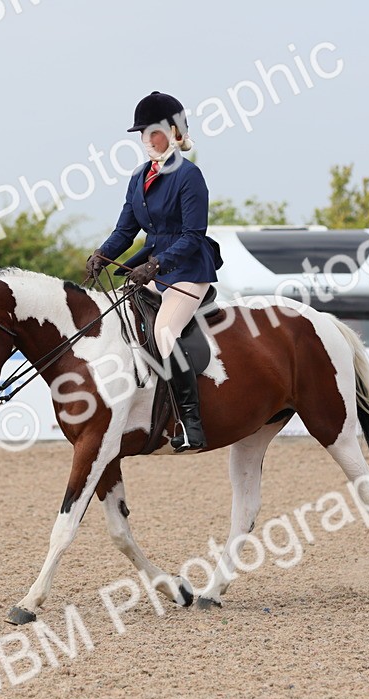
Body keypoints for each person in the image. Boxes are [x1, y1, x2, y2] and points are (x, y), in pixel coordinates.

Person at [84, 91, 221, 452]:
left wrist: (156, 264)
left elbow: (194, 236)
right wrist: (102, 254)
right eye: (142, 134)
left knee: (163, 331)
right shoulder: (139, 177)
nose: (147, 141)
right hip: (152, 267)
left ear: (174, 132)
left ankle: (191, 424)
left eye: (154, 133)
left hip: (188, 269)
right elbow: (125, 231)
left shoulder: (189, 176)